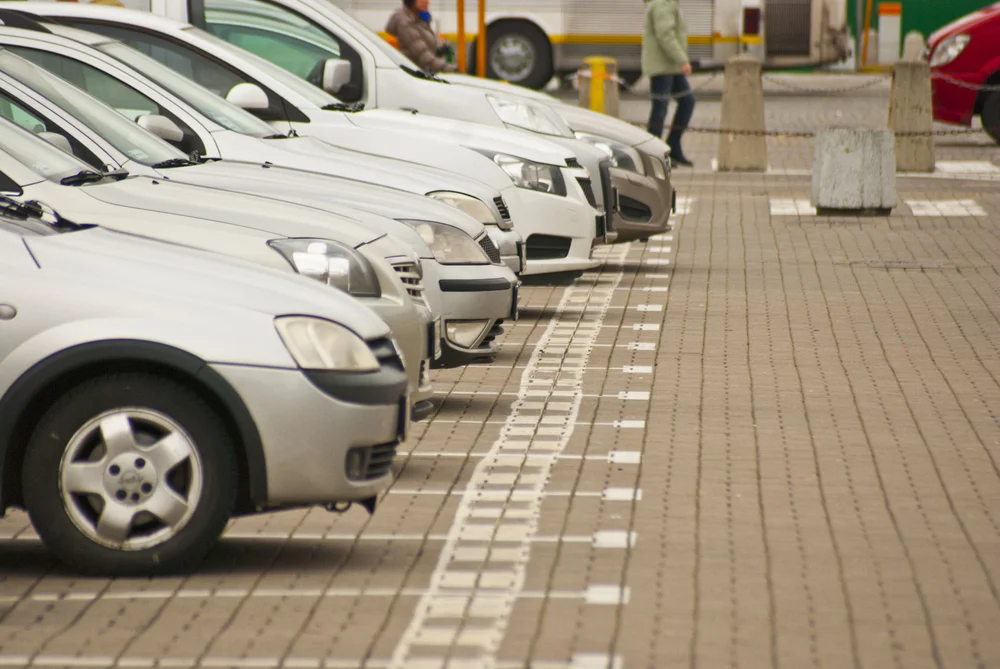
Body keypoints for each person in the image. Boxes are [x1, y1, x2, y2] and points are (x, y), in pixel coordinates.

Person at [642, 0, 695, 166]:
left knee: (686, 101)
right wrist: (682, 60)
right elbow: (665, 35)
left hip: (670, 66)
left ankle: (673, 145)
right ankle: (654, 154)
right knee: (660, 108)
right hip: (662, 66)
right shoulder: (662, 3)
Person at [386, 0, 457, 74]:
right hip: (414, 75)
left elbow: (424, 46)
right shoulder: (405, 22)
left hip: (421, 73)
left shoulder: (418, 20)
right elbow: (423, 57)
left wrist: (438, 49)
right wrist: (449, 68)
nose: (428, 2)